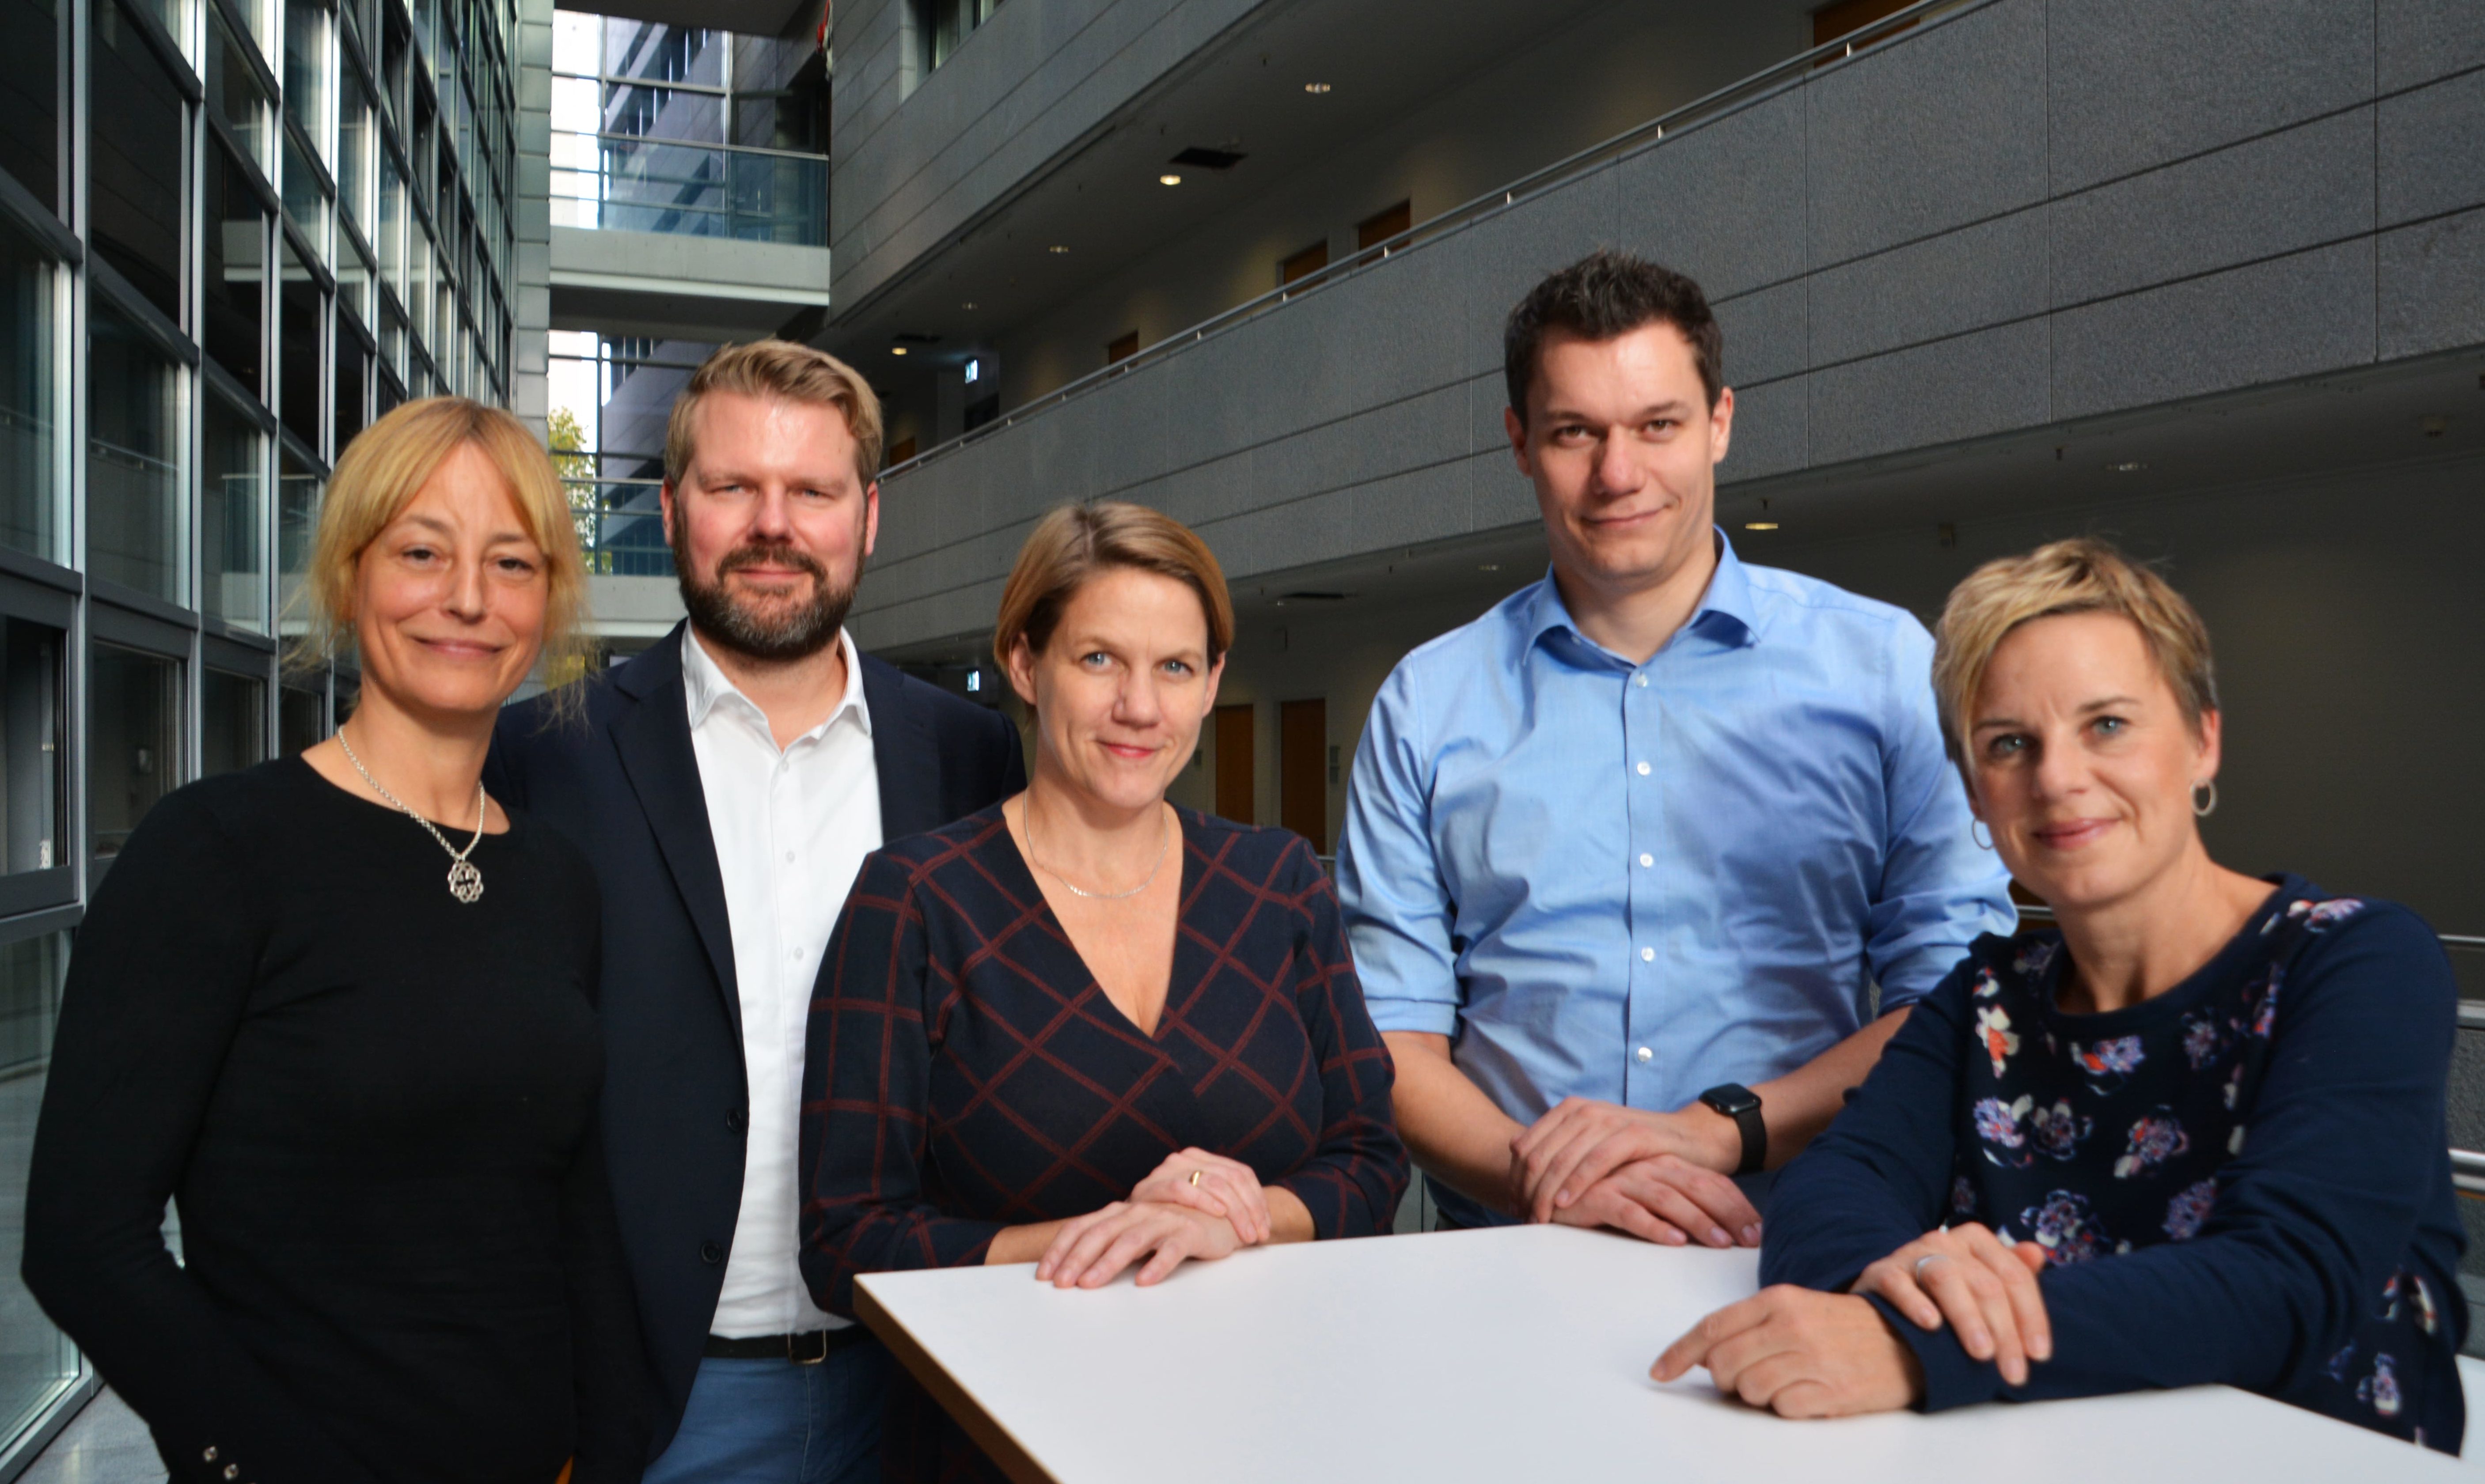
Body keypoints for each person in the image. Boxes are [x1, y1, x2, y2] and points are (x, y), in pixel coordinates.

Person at [1654, 539, 2465, 1453]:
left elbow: (2287, 1278)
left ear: (2202, 740)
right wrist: (1907, 1270)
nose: (2057, 779)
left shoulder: (2353, 962)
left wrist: (1921, 1346)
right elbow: (1833, 1184)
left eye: (2107, 725)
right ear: (1971, 788)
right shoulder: (1985, 995)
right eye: (2009, 744)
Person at [22, 399, 647, 1483]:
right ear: (350, 574)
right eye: (421, 552)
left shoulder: (557, 880)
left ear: (547, 602)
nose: (467, 599)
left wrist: (599, 1449)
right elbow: (85, 1244)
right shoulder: (217, 850)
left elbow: (568, 1214)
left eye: (510, 563)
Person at [1336, 250, 2014, 1242]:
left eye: (1657, 425)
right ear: (1521, 442)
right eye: (1575, 432)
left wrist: (1722, 1132)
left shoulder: (1884, 671)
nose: (1619, 474)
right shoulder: (1424, 703)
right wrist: (1547, 1182)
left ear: (1718, 424)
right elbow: (1390, 1038)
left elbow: (1956, 996)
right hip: (1505, 1259)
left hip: (1797, 1248)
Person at [486, 343, 1024, 1484]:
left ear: (867, 517)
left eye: (812, 492)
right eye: (734, 488)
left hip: (926, 1382)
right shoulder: (545, 759)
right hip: (661, 1410)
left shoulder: (971, 755)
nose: (772, 525)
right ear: (674, 508)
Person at [799, 502, 1406, 1484]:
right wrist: (1109, 1237)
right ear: (1024, 664)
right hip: (1004, 1445)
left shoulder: (1279, 883)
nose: (1139, 707)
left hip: (1272, 1426)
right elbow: (844, 1239)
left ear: (1212, 683)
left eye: (1174, 667)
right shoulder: (915, 900)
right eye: (1098, 661)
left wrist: (1230, 1221)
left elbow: (1371, 1162)